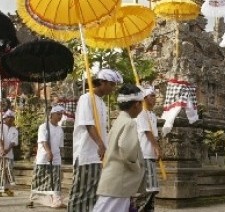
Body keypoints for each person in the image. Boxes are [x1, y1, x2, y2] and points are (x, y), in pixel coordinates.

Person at [68, 68, 123, 212]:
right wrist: (100, 144)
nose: (113, 88)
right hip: (86, 153)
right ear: (102, 82)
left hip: (99, 155)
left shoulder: (102, 103)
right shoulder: (86, 98)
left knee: (94, 193)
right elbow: (88, 123)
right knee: (81, 192)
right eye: (111, 84)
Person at [93, 84, 145, 212]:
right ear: (136, 104)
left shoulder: (118, 121)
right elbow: (128, 152)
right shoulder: (130, 123)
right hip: (120, 181)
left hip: (113, 179)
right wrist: (137, 168)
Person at [29, 105, 65, 209]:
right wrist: (49, 152)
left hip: (56, 157)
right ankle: (33, 198)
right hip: (43, 157)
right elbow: (44, 141)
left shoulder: (60, 129)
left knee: (56, 179)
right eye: (58, 114)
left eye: (61, 114)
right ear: (52, 114)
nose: (60, 116)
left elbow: (61, 146)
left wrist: (60, 157)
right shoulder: (43, 127)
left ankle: (56, 199)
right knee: (39, 178)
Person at [134, 86, 160, 211]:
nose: (155, 98)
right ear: (145, 98)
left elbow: (154, 134)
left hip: (151, 155)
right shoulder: (141, 113)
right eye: (152, 96)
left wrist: (156, 147)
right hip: (144, 154)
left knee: (153, 189)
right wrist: (156, 147)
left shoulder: (153, 115)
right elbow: (147, 132)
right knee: (147, 188)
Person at [0, 110, 19, 197]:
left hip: (9, 153)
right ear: (5, 118)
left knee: (8, 171)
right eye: (9, 117)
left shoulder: (14, 129)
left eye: (12, 117)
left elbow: (13, 142)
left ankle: (6, 188)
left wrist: (7, 150)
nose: (11, 119)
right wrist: (1, 148)